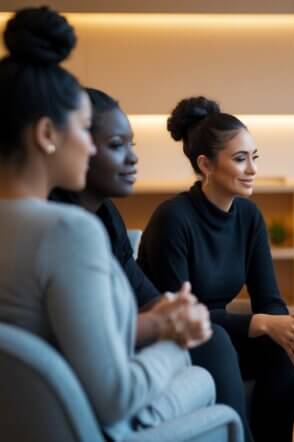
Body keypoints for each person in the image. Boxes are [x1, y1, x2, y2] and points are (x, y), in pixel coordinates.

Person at [0, 7, 215, 440]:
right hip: (85, 425)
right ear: (47, 134)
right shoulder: (67, 232)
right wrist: (175, 339)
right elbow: (115, 395)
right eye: (84, 130)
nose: (89, 146)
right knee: (201, 378)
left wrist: (153, 323)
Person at [49, 87, 253, 441]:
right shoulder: (64, 229)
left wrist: (175, 309)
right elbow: (96, 331)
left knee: (218, 339)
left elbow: (141, 290)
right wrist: (166, 322)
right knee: (213, 342)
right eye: (117, 145)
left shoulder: (106, 214)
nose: (132, 159)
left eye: (132, 145)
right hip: (101, 369)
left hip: (125, 346)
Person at [137, 96, 294, 441]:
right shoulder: (173, 219)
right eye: (240, 159)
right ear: (206, 164)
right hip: (174, 338)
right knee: (218, 339)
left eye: (254, 157)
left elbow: (269, 299)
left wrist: (286, 325)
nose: (253, 169)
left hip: (220, 333)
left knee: (291, 347)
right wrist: (261, 322)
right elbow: (178, 314)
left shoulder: (249, 216)